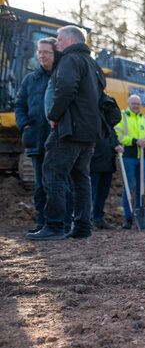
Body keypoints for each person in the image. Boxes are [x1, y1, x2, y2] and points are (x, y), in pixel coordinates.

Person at [28, 26, 102, 241]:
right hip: (89, 132)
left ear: (70, 40)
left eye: (59, 40)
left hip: (69, 129)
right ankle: (82, 227)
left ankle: (54, 225)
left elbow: (66, 89)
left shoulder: (70, 60)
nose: (56, 44)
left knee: (53, 173)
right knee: (81, 179)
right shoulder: (92, 63)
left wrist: (54, 115)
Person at [13, 37, 65, 234]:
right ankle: (42, 223)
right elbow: (19, 104)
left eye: (47, 52)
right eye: (40, 52)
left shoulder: (61, 77)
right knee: (40, 186)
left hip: (58, 139)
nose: (42, 55)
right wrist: (24, 125)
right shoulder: (30, 80)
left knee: (59, 184)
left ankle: (61, 223)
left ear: (55, 54)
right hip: (36, 138)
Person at [114, 94, 145, 229]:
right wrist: (134, 141)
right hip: (128, 157)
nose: (136, 106)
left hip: (143, 158)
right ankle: (128, 218)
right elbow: (118, 135)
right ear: (129, 104)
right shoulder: (123, 117)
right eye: (133, 103)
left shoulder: (144, 119)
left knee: (141, 188)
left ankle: (140, 215)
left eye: (138, 103)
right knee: (128, 187)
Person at [90, 126, 122, 230]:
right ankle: (87, 220)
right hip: (94, 164)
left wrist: (117, 146)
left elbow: (114, 141)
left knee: (102, 194)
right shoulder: (95, 124)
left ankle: (98, 218)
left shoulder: (110, 128)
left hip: (108, 165)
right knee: (90, 193)